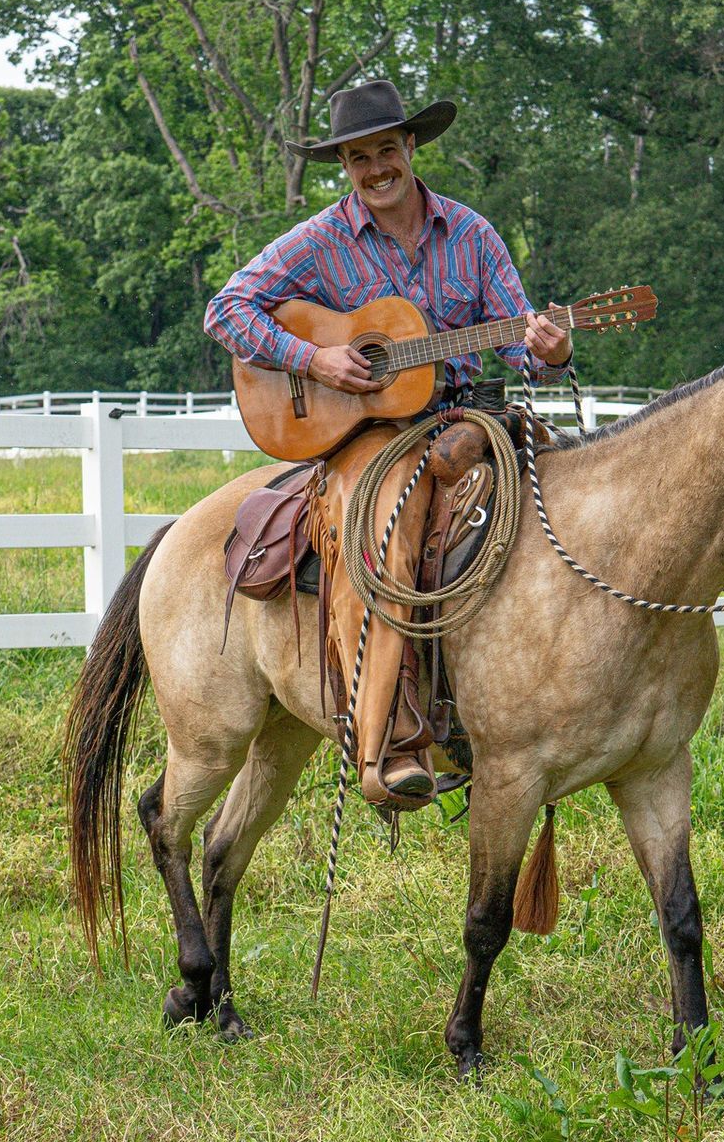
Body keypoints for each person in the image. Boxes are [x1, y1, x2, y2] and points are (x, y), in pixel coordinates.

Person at [204, 79, 572, 807]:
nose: (374, 168)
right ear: (345, 165)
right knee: (390, 531)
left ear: (411, 148)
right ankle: (385, 744)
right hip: (368, 432)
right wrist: (315, 359)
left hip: (469, 418)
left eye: (385, 150)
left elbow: (519, 347)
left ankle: (539, 702)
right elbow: (226, 310)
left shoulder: (472, 235)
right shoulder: (319, 240)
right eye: (357, 157)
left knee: (567, 492)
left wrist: (549, 351)